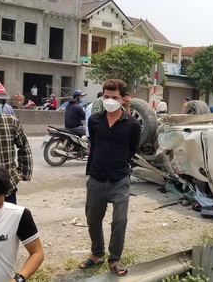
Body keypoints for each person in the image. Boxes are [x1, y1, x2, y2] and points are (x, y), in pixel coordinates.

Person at [80, 79, 140, 277]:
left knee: (120, 220)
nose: (110, 100)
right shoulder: (95, 120)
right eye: (106, 96)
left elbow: (132, 150)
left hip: (119, 178)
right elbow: (94, 145)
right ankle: (97, 253)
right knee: (93, 219)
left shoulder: (132, 124)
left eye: (114, 97)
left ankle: (114, 258)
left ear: (123, 99)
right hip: (97, 177)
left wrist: (117, 163)